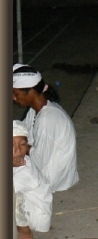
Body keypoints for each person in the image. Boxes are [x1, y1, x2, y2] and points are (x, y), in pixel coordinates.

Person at [13, 64, 79, 193]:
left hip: (52, 178)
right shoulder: (37, 109)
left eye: (15, 93)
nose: (13, 98)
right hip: (47, 166)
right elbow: (22, 130)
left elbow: (39, 160)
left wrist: (19, 149)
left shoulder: (48, 119)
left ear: (31, 91)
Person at [13, 120, 53, 239]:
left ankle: (24, 233)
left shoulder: (25, 171)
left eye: (22, 144)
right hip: (30, 208)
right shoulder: (17, 161)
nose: (18, 150)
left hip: (34, 217)